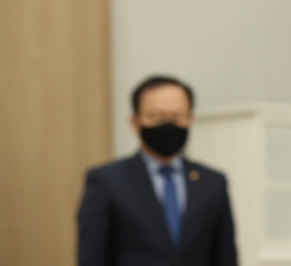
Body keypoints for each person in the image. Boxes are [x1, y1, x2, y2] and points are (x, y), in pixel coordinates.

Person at [77, 75, 238, 266]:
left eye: (177, 116)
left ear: (190, 118)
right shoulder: (106, 181)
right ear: (135, 122)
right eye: (157, 117)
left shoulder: (213, 182)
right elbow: (92, 257)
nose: (168, 124)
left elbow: (226, 256)